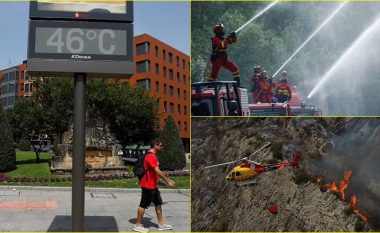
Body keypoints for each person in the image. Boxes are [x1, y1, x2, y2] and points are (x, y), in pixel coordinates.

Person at [133, 139, 176, 232]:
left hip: (153, 185)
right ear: (155, 146)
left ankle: (161, 225)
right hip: (147, 185)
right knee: (143, 205)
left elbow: (154, 172)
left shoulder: (152, 156)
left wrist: (161, 181)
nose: (162, 147)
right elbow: (157, 171)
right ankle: (137, 225)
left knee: (158, 203)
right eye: (161, 145)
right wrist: (168, 181)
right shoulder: (151, 156)